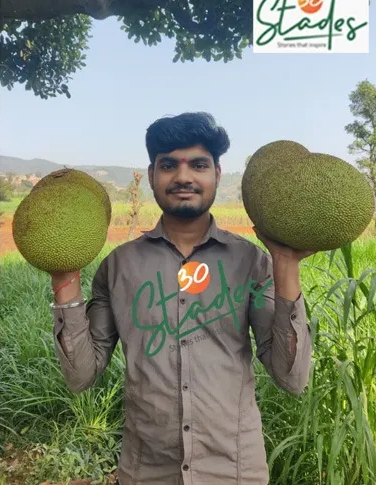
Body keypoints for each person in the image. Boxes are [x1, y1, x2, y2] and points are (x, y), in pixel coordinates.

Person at [49, 112, 313, 485]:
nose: (184, 177)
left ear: (217, 174)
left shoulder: (252, 263)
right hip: (147, 471)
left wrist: (286, 263)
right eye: (169, 165)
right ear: (152, 175)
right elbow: (80, 377)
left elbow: (292, 378)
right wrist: (64, 278)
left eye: (199, 165)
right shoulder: (119, 267)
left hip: (234, 471)